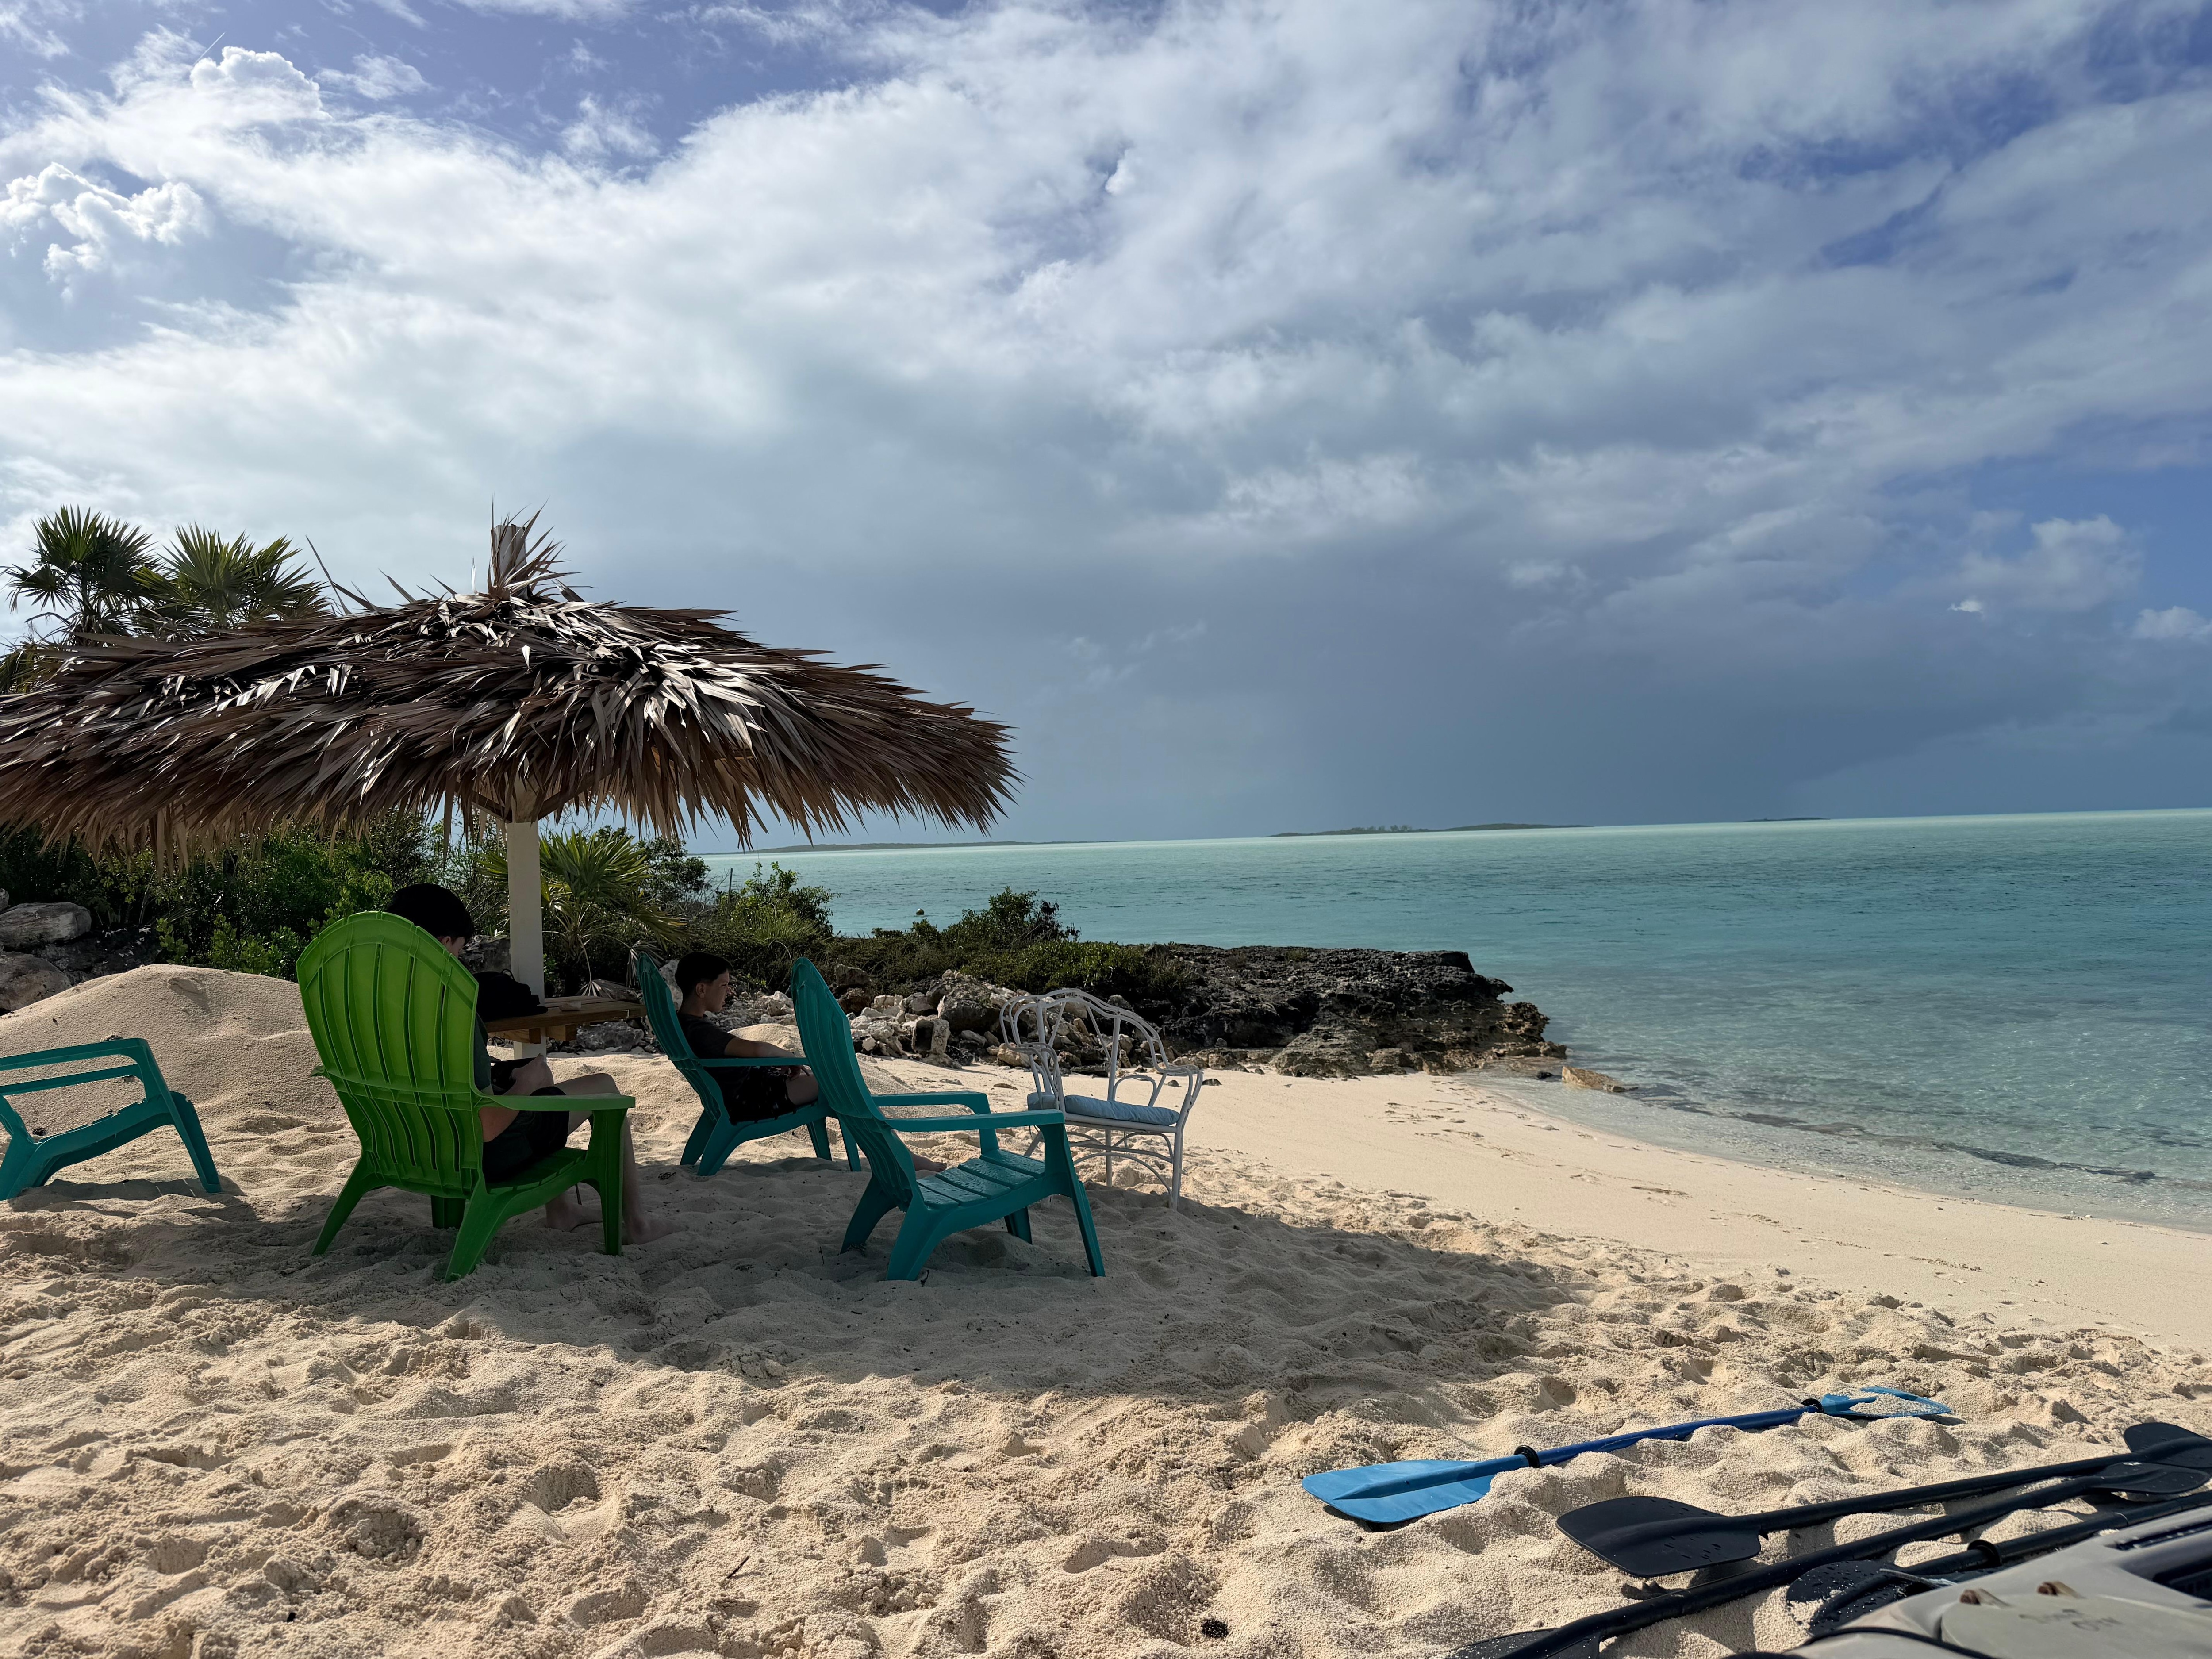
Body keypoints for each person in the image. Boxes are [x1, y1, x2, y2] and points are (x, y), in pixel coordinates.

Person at [384, 883, 676, 1244]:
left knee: (523, 1073)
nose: (459, 961)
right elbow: (488, 1127)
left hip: (413, 1143)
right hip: (482, 1153)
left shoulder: (384, 1007)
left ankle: (563, 1211)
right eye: (459, 951)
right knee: (603, 1087)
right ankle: (639, 1224)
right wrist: (527, 1082)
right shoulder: (452, 1013)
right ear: (444, 944)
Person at [672, 950, 943, 1172]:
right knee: (840, 1085)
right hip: (752, 1098)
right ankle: (900, 1157)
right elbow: (758, 1049)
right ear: (701, 989)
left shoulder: (687, 1025)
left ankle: (895, 1154)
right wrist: (788, 1056)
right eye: (724, 985)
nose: (729, 991)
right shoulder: (700, 1032)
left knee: (833, 1086)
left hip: (749, 1089)